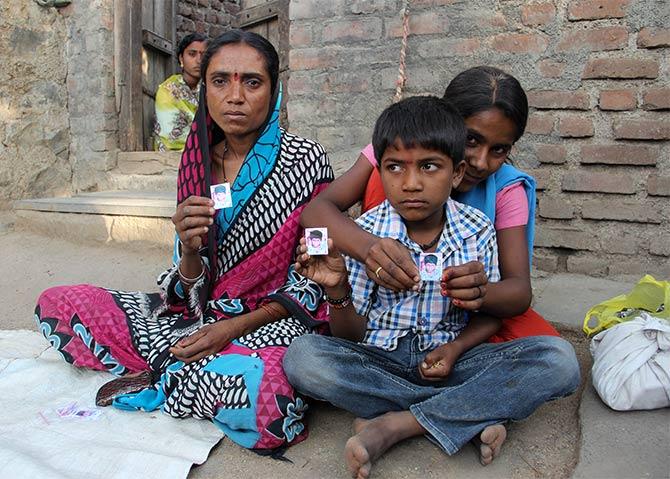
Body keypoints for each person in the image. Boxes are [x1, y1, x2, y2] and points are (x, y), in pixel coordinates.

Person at [35, 30, 333, 452]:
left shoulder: (305, 160)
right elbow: (186, 286)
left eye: (251, 81)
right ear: (203, 89)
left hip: (271, 319)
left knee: (269, 401)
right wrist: (189, 248)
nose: (235, 96)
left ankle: (172, 370)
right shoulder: (195, 162)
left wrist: (231, 326)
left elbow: (317, 273)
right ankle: (190, 369)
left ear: (274, 89)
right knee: (58, 303)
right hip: (194, 314)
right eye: (220, 81)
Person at [284, 96, 580, 479]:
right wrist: (337, 290)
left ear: (456, 173)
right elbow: (351, 336)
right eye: (394, 168)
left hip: (451, 362)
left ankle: (398, 424)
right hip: (380, 359)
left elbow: (490, 316)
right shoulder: (367, 232)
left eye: (428, 167)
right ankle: (464, 414)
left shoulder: (476, 229)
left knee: (558, 360)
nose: (411, 184)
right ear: (381, 170)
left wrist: (456, 348)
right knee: (303, 357)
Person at [300, 65, 560, 344]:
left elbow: (519, 291)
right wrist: (370, 248)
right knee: (310, 352)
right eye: (471, 140)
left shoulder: (504, 193)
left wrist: (477, 291)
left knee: (552, 355)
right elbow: (316, 211)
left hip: (464, 319)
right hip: (382, 316)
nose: (481, 162)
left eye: (499, 149)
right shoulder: (398, 152)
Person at [153, 33, 207, 151]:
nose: (199, 60)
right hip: (170, 159)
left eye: (204, 55)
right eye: (192, 54)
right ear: (181, 58)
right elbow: (172, 137)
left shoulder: (209, 89)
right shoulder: (168, 91)